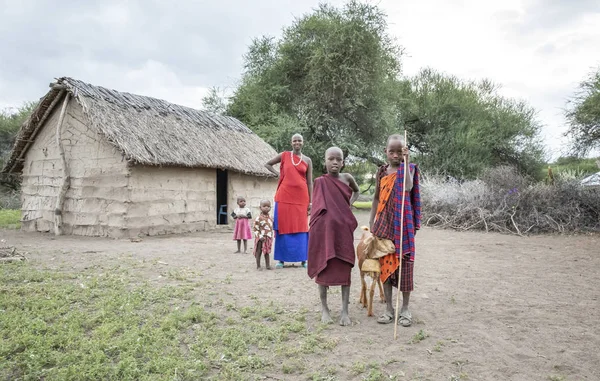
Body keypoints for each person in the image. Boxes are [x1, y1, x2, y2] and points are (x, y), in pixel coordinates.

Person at [369, 134, 421, 327]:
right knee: (386, 268)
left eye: (400, 152)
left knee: (405, 266)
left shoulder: (410, 169)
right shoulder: (382, 172)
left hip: (403, 225)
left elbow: (407, 187)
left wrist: (406, 162)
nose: (396, 155)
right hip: (384, 224)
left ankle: (405, 309)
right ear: (386, 152)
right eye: (392, 151)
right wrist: (372, 220)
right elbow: (375, 198)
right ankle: (389, 309)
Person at [307, 147, 359, 325]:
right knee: (323, 269)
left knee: (345, 268)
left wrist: (348, 205)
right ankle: (325, 309)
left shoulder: (347, 178)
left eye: (338, 159)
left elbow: (356, 191)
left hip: (343, 232)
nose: (335, 162)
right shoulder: (320, 182)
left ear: (343, 162)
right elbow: (316, 211)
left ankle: (345, 311)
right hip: (326, 234)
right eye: (331, 159)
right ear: (325, 161)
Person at [265, 133, 313, 269]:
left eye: (299, 140)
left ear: (303, 142)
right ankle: (281, 259)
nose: (297, 142)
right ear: (291, 143)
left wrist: (311, 202)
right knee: (283, 227)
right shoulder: (284, 155)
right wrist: (279, 175)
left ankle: (303, 259)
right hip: (284, 197)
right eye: (294, 141)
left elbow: (310, 182)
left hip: (302, 199)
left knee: (302, 227)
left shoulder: (308, 160)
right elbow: (268, 164)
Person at [253, 199, 274, 270]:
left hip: (267, 238)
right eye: (264, 206)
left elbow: (271, 228)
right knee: (259, 251)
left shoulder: (270, 218)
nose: (266, 207)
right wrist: (260, 236)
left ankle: (267, 265)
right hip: (260, 238)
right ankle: (258, 266)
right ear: (260, 208)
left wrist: (271, 236)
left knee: (267, 251)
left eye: (268, 206)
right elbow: (255, 229)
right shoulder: (258, 218)